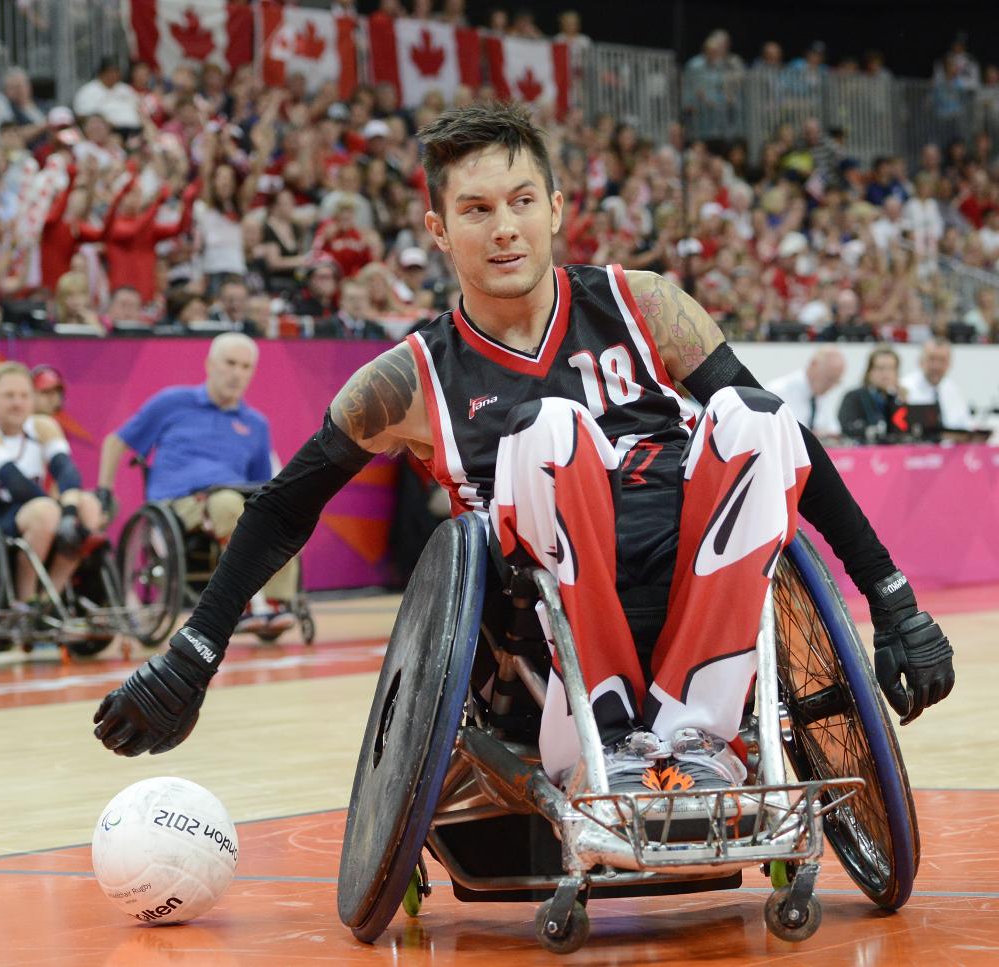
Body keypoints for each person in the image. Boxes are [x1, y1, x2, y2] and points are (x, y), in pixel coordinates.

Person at [94, 105, 953, 812]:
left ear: (555, 206)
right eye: (475, 209)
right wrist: (192, 654)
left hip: (693, 595)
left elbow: (786, 449)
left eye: (520, 201)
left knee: (760, 414)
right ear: (438, 227)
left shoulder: (643, 302)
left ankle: (696, 731)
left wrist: (894, 599)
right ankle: (609, 730)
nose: (504, 228)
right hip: (542, 654)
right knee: (552, 428)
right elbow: (283, 506)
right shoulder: (408, 378)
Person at [96, 333, 298, 633]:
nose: (237, 373)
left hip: (231, 499)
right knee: (230, 506)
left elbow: (262, 483)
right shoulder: (172, 402)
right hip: (176, 504)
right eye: (230, 363)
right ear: (209, 364)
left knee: (280, 513)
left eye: (245, 367)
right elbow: (116, 442)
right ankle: (242, 603)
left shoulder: (256, 424)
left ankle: (275, 603)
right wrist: (104, 491)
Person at [0, 362, 103, 603]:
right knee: (46, 511)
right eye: (9, 396)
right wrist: (61, 513)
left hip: (18, 510)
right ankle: (24, 599)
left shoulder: (43, 426)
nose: (18, 403)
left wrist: (70, 512)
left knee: (87, 505)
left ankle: (50, 598)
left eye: (24, 395)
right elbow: (15, 482)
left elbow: (67, 472)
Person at [765, 346, 845, 438]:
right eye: (829, 379)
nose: (831, 386)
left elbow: (833, 430)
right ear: (813, 365)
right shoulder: (777, 392)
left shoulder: (820, 394)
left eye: (836, 381)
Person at [899, 338, 972, 431]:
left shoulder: (953, 389)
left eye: (942, 360)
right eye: (932, 359)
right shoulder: (904, 387)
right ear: (920, 361)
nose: (937, 366)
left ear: (949, 363)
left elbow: (966, 423)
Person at [837, 346, 904, 443]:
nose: (886, 374)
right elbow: (847, 427)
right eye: (880, 368)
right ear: (870, 372)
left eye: (891, 368)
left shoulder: (896, 399)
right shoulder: (854, 397)